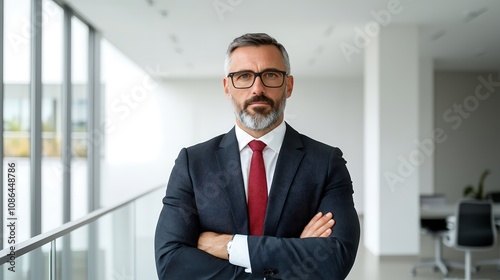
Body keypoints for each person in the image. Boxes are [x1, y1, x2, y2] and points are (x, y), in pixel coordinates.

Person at [155, 33, 360, 279]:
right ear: (227, 87)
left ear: (289, 85)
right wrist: (288, 257)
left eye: (271, 75)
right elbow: (170, 264)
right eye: (244, 76)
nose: (257, 89)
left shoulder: (326, 163)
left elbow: (335, 259)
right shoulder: (193, 163)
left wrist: (230, 246)